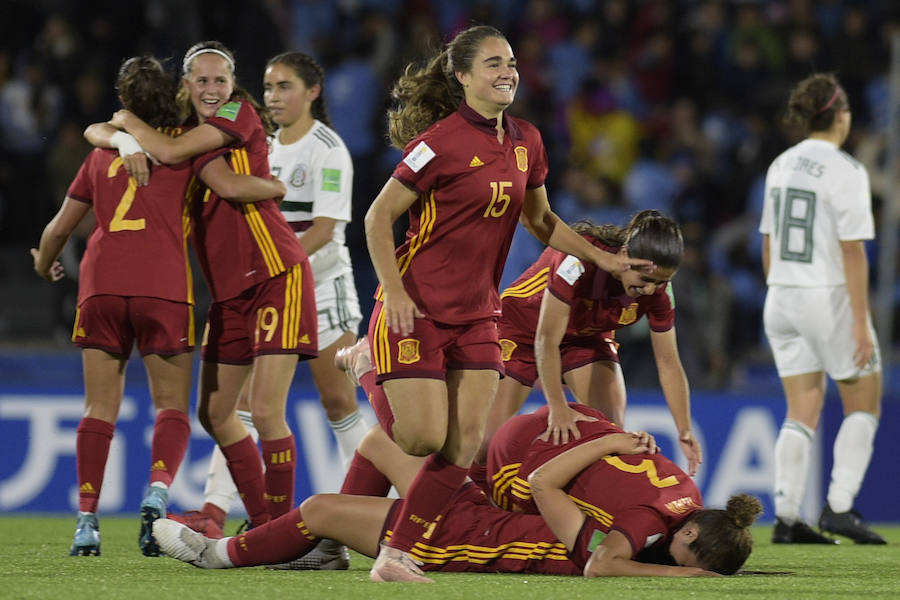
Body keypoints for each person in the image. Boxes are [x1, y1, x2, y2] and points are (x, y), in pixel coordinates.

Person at [362, 24, 651, 582]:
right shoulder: (438, 143)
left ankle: (396, 556)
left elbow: (541, 221)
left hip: (478, 313)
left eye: (511, 62)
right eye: (493, 63)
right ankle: (369, 372)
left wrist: (608, 260)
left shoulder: (527, 141)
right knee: (421, 437)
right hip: (415, 307)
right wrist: (393, 290)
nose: (507, 72)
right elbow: (377, 217)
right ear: (464, 76)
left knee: (466, 444)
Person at [32, 55, 285, 557]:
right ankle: (158, 491)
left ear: (124, 102)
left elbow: (59, 229)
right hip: (164, 287)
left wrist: (44, 264)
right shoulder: (183, 152)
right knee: (170, 405)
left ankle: (87, 521)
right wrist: (274, 188)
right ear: (176, 93)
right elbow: (228, 186)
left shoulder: (99, 154)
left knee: (98, 407)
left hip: (100, 286)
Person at [90, 41, 318, 535]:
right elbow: (99, 128)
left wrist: (129, 129)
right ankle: (260, 523)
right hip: (229, 291)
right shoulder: (187, 132)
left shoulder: (235, 115)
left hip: (275, 272)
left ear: (233, 85)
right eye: (202, 80)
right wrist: (126, 137)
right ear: (186, 86)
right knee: (214, 412)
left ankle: (286, 533)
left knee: (263, 409)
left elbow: (217, 179)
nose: (213, 88)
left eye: (221, 79)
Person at [151, 399, 761, 578]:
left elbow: (600, 567)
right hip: (485, 512)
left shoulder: (616, 543)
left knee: (318, 507)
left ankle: (220, 555)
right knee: (380, 439)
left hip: (466, 538)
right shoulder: (636, 528)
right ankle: (328, 550)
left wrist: (684, 578)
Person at [166, 51, 368, 565]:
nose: (275, 96)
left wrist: (276, 265)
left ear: (313, 92)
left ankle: (367, 507)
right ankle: (222, 508)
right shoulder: (261, 144)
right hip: (263, 284)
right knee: (235, 408)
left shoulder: (328, 149)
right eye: (270, 87)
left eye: (285, 87)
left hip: (320, 285)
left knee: (338, 404)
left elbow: (326, 228)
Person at [475, 210, 701, 483]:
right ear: (626, 256)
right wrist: (557, 407)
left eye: (660, 282)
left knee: (610, 433)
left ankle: (564, 504)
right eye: (645, 280)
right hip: (522, 329)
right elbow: (546, 340)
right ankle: (473, 509)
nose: (651, 290)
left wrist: (684, 429)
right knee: (484, 447)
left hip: (586, 336)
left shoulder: (659, 292)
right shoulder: (578, 263)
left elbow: (668, 362)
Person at [760, 73, 885, 545]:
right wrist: (858, 321)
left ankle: (789, 518)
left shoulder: (780, 164)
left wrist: (779, 292)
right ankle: (839, 506)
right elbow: (853, 251)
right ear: (841, 115)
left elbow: (768, 241)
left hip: (782, 295)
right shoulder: (846, 170)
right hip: (826, 294)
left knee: (803, 406)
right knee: (865, 400)